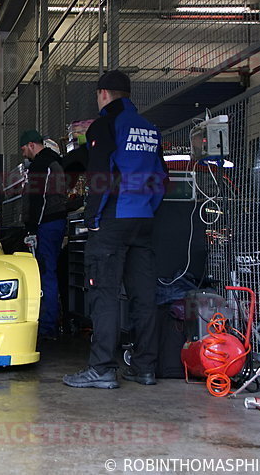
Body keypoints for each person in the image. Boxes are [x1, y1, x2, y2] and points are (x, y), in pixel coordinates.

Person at [63, 70, 167, 389]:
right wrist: (147, 208)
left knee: (104, 293)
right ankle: (144, 367)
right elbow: (162, 177)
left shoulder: (105, 124)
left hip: (112, 220)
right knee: (143, 296)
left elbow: (100, 176)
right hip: (143, 221)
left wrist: (92, 219)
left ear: (104, 93)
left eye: (97, 95)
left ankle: (102, 368)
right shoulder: (150, 128)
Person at [19, 129, 67, 340]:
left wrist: (32, 228)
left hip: (45, 225)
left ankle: (47, 327)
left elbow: (39, 200)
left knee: (46, 273)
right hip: (54, 224)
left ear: (31, 145)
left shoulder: (41, 165)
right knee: (50, 271)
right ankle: (51, 322)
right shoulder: (54, 163)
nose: (23, 154)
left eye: (23, 149)